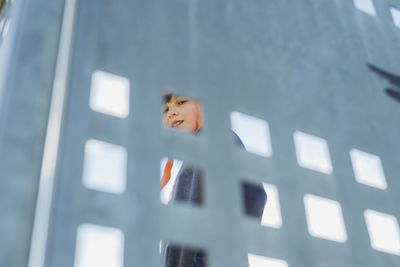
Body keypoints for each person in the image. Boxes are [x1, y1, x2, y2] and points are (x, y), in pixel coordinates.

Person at [161, 93, 267, 267]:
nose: (171, 112)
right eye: (165, 110)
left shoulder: (218, 139)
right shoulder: (190, 159)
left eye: (181, 102)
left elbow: (252, 196)